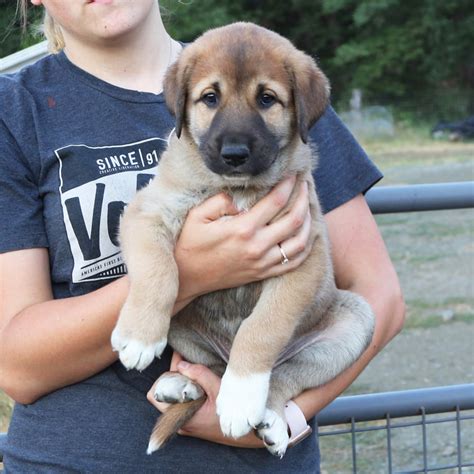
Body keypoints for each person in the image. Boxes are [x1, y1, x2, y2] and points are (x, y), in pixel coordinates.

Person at [0, 1, 405, 472]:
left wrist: (283, 413)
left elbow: (380, 297)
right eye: (209, 100)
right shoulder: (14, 112)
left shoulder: (280, 80)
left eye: (266, 100)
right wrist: (189, 274)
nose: (236, 128)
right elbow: (17, 366)